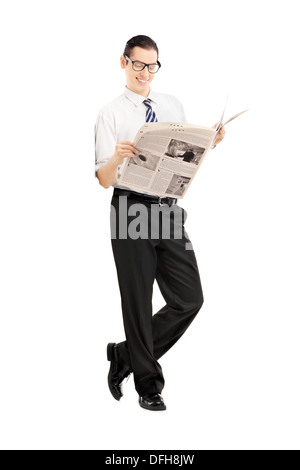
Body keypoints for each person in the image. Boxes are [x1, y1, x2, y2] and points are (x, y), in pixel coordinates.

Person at [94, 35, 225, 411]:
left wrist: (209, 142)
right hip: (129, 209)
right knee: (138, 300)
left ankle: (124, 354)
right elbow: (103, 179)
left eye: (152, 66)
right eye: (138, 65)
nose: (145, 73)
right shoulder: (111, 113)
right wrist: (117, 158)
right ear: (124, 63)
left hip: (167, 210)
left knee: (189, 299)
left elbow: (180, 159)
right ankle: (148, 386)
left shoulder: (171, 104)